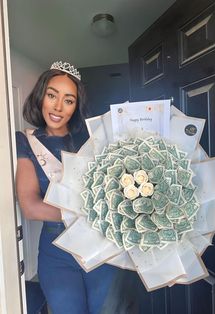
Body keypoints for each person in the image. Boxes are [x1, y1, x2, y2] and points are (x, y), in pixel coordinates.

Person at [15, 61, 117, 314]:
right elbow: (30, 206)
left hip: (100, 245)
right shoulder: (26, 142)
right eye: (52, 96)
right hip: (56, 251)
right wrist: (91, 211)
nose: (58, 107)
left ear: (76, 106)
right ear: (41, 97)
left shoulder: (93, 140)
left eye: (68, 100)